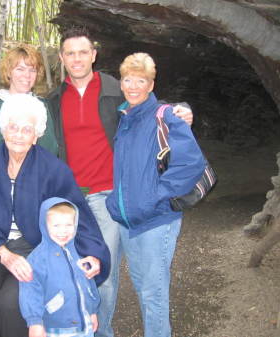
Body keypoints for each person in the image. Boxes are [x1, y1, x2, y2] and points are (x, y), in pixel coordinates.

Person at [46, 26, 194, 337]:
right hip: (73, 200)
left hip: (108, 195)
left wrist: (183, 111)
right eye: (70, 53)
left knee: (107, 273)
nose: (77, 58)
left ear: (93, 55)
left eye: (83, 52)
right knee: (89, 272)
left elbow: (147, 104)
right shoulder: (54, 100)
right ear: (61, 58)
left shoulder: (115, 89)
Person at [0, 94, 110, 337]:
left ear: (36, 134)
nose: (18, 135)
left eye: (26, 129)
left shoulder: (54, 170)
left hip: (38, 250)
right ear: (3, 129)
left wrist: (94, 254)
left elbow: (78, 216)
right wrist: (5, 255)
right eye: (13, 127)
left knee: (10, 305)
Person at [105, 52, 206, 337]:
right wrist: (117, 203)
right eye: (127, 79)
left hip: (156, 221)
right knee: (143, 289)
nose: (133, 85)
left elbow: (190, 164)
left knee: (154, 295)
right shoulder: (125, 117)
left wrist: (153, 198)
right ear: (121, 83)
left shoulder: (165, 116)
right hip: (129, 222)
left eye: (141, 80)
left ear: (151, 85)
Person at [19, 197, 100, 337]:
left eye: (68, 225)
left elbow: (88, 283)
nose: (63, 231)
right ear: (45, 225)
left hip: (84, 324)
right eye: (56, 226)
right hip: (56, 328)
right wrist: (35, 322)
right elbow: (30, 292)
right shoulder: (37, 259)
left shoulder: (79, 253)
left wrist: (92, 311)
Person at [0, 44, 58, 162]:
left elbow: (51, 149)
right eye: (20, 69)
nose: (27, 75)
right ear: (9, 72)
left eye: (32, 70)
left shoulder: (44, 107)